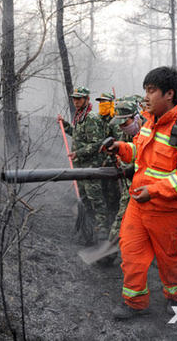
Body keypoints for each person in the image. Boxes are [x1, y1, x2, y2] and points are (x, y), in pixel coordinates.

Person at [106, 67, 177, 319]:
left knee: (170, 260)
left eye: (152, 91)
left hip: (168, 212)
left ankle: (176, 300)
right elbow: (141, 154)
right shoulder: (149, 121)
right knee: (131, 255)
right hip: (138, 206)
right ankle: (135, 303)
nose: (147, 97)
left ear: (170, 94)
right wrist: (120, 147)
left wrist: (154, 191)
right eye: (146, 91)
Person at [57, 86, 108, 245]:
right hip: (79, 165)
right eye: (74, 98)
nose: (76, 101)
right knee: (84, 198)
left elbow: (97, 144)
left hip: (91, 167)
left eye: (79, 98)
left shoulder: (91, 117)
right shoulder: (80, 116)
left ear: (87, 99)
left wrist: (78, 153)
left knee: (96, 199)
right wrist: (65, 125)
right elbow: (78, 135)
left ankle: (103, 231)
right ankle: (89, 228)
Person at [107, 99, 143, 244]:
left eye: (125, 123)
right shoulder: (126, 133)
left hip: (149, 187)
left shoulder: (151, 131)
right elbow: (125, 151)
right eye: (119, 124)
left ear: (135, 117)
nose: (122, 127)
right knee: (122, 216)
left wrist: (132, 168)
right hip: (131, 185)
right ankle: (110, 250)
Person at [96, 92, 122, 232]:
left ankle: (114, 224)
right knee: (103, 193)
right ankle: (105, 223)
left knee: (114, 196)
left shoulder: (115, 120)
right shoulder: (99, 119)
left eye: (104, 102)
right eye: (100, 102)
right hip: (100, 164)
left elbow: (119, 143)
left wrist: (109, 159)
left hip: (112, 164)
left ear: (111, 103)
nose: (101, 105)